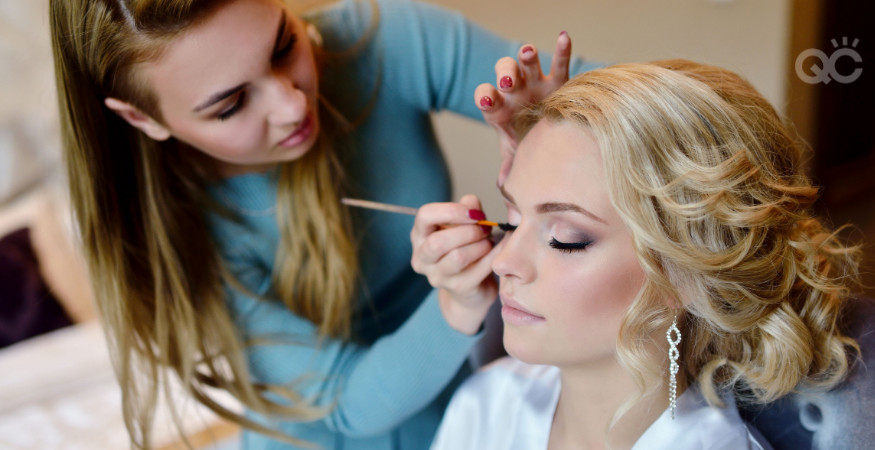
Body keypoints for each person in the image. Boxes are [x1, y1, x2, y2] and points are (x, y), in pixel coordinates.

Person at [49, 0, 597, 448]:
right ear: (141, 118)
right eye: (231, 105)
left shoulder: (382, 41)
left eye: (284, 45)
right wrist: (455, 304)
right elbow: (346, 405)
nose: (291, 105)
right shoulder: (175, 228)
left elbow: (662, 118)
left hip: (460, 414)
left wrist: (559, 131)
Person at [431, 59, 861, 450]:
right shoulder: (485, 407)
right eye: (511, 219)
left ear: (691, 271)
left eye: (566, 237)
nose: (502, 261)